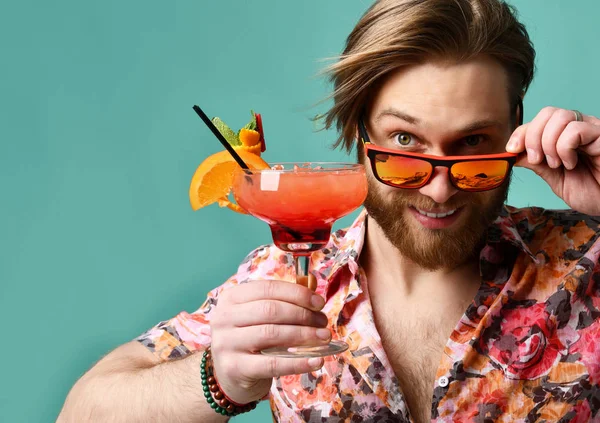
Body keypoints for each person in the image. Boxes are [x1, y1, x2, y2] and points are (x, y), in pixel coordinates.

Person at [58, 0, 600, 421]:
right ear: (360, 137)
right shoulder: (282, 279)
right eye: (404, 142)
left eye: (474, 143)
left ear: (515, 130)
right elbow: (82, 410)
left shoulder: (586, 263)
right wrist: (217, 378)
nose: (438, 189)